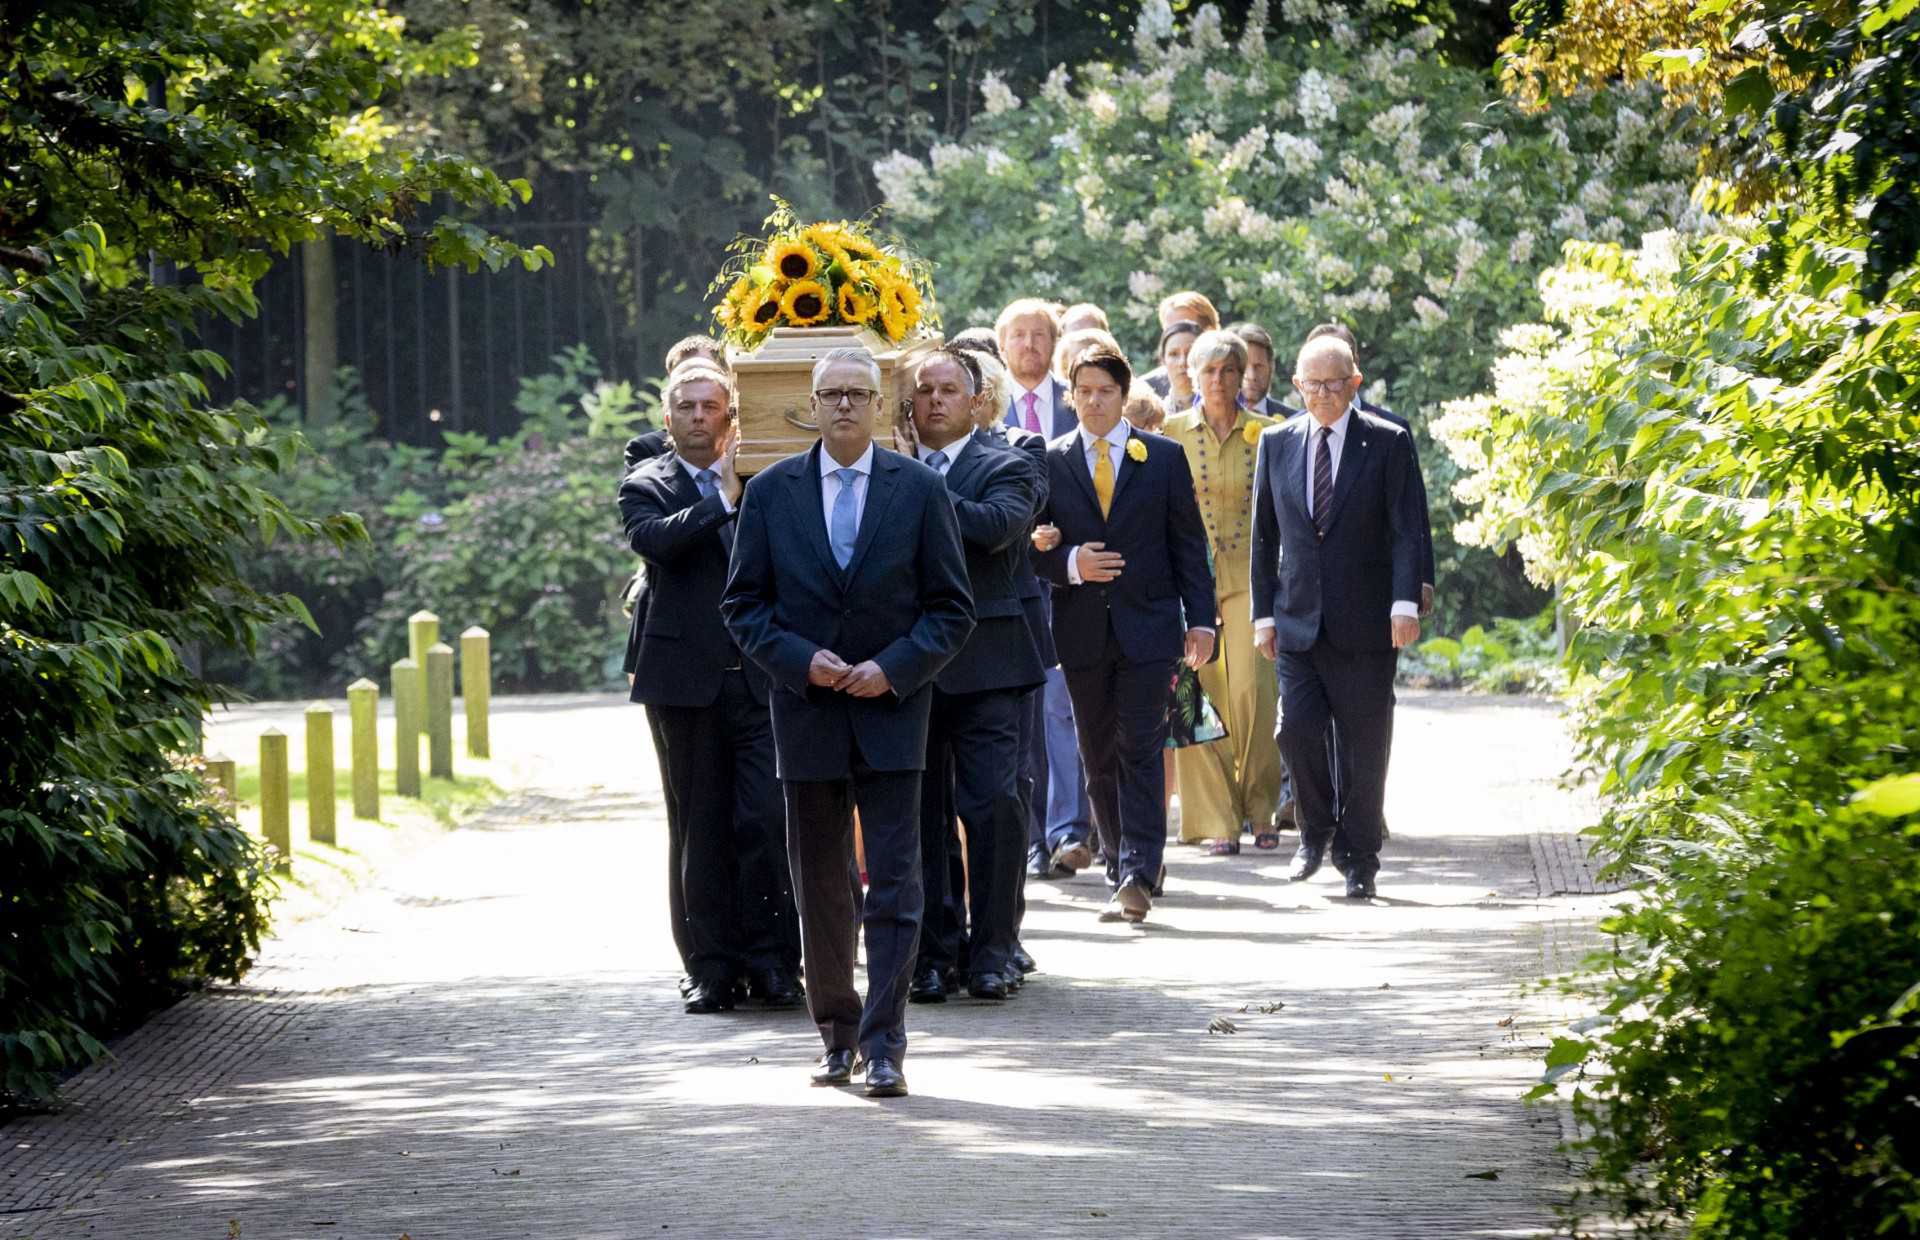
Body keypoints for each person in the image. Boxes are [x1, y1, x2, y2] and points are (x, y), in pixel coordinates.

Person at [721, 346, 974, 1098]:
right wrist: (802, 662)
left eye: (857, 394)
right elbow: (742, 606)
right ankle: (836, 1032)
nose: (843, 406)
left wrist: (892, 668)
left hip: (894, 715)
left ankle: (886, 1043)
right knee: (821, 885)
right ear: (811, 401)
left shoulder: (921, 490)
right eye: (830, 394)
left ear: (879, 402)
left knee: (895, 883)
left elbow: (951, 609)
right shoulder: (768, 494)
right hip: (808, 716)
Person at [619, 363, 801, 1013]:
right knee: (699, 828)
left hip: (759, 683)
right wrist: (721, 499)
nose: (698, 416)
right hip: (684, 686)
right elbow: (656, 543)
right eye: (685, 406)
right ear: (667, 420)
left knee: (764, 821)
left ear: (731, 417)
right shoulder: (647, 483)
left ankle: (775, 960)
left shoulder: (768, 482)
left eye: (710, 406)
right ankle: (709, 965)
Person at [1032, 345, 1215, 923]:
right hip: (1082, 631)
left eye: (1103, 391)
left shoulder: (1160, 456)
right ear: (1071, 396)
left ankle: (1137, 868)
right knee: (1097, 752)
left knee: (1140, 745)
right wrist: (1067, 562)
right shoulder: (1052, 459)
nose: (1092, 401)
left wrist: (1202, 620)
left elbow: (1188, 543)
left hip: (1150, 628)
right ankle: (1120, 860)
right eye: (1082, 391)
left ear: (1123, 394)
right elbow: (1031, 547)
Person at [1251, 336, 1425, 899]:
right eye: (1311, 384)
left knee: (1364, 744)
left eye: (1334, 384)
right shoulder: (1276, 443)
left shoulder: (1388, 443)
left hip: (1367, 622)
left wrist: (1404, 603)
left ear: (1355, 383)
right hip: (1297, 619)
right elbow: (1264, 538)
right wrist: (1262, 615)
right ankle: (1314, 827)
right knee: (1295, 729)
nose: (1322, 394)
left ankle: (1359, 858)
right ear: (1296, 385)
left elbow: (1408, 529)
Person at [900, 350, 1045, 1003]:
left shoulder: (1009, 461)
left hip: (990, 665)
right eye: (923, 390)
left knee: (992, 807)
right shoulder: (888, 470)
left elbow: (994, 528)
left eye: (947, 389)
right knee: (922, 818)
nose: (935, 400)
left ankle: (993, 948)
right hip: (912, 666)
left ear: (976, 400)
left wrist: (915, 486)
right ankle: (935, 952)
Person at [1161, 331, 1286, 856]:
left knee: (1254, 697)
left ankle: (1262, 809)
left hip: (1252, 584)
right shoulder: (1167, 434)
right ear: (1191, 375)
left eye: (1229, 370)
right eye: (1208, 371)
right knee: (1197, 701)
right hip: (1188, 585)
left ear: (1244, 376)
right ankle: (1215, 820)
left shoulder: (1272, 433)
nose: (1219, 381)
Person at [996, 297, 1096, 876]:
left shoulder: (1074, 402)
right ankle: (1033, 836)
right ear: (1003, 344)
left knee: (1068, 710)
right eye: (1019, 336)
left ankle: (1068, 830)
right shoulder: (987, 406)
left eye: (1040, 335)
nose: (1030, 346)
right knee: (1027, 716)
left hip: (1071, 582)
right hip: (1013, 582)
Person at [1305, 322, 1436, 617]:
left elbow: (1413, 511)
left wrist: (1423, 576)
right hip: (1309, 595)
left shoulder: (1392, 430)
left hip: (1375, 582)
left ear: (1354, 368)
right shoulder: (1293, 433)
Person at [624, 336, 730, 472]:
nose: (695, 381)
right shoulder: (646, 451)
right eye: (685, 377)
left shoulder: (748, 449)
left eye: (706, 375)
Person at [1140, 291, 1221, 397]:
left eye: (1186, 327)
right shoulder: (1146, 390)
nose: (1178, 336)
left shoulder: (1234, 384)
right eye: (1170, 330)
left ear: (1210, 332)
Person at [1232, 322, 1288, 417]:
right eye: (1244, 366)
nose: (1251, 376)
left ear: (1271, 367)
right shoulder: (1212, 422)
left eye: (1258, 366)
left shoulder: (1292, 420)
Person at [1152, 320, 1204, 420]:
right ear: (1163, 360)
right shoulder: (1154, 416)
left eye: (1190, 353)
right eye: (1174, 354)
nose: (1182, 362)